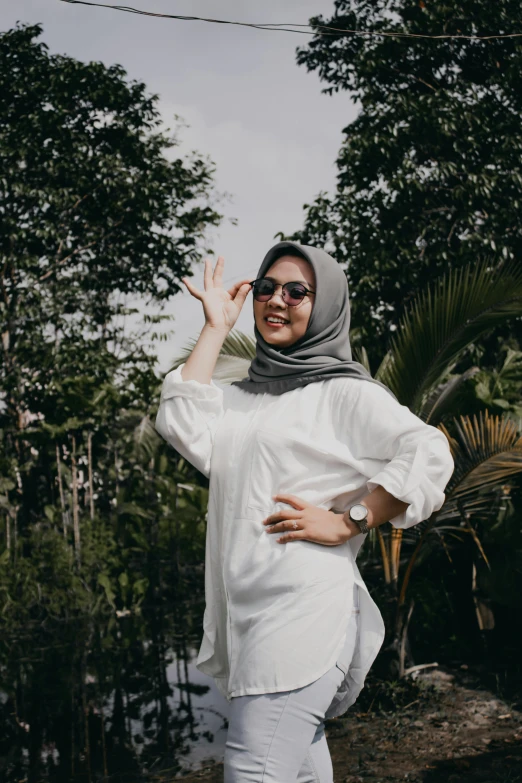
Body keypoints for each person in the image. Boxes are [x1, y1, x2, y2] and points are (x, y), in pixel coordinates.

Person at [155, 241, 454, 782]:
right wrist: (217, 326)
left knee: (253, 767)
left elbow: (430, 451)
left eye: (296, 291)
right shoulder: (244, 398)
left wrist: (351, 519)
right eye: (266, 289)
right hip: (250, 615)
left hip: (301, 616)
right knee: (300, 766)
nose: (277, 300)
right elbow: (181, 420)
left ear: (327, 304)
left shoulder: (343, 393)